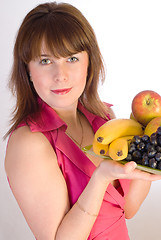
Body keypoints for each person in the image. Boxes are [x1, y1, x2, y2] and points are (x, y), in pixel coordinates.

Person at [4, 2, 161, 240]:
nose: (61, 75)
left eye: (72, 59)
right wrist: (100, 178)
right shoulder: (29, 143)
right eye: (45, 61)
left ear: (89, 62)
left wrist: (151, 147)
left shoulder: (104, 118)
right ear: (27, 70)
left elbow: (128, 208)